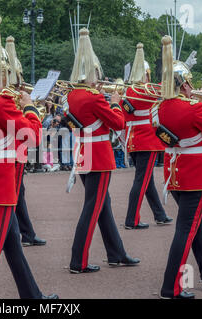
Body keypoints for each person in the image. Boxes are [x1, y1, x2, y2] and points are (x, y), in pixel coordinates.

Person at [0, 14, 57, 299]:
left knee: (12, 245)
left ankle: (33, 297)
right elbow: (33, 136)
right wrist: (30, 107)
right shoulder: (0, 102)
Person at [156, 36, 202, 299]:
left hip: (173, 175)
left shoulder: (160, 108)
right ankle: (170, 288)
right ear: (184, 84)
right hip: (195, 176)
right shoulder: (195, 108)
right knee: (186, 229)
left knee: (196, 224)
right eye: (188, 83)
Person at [66, 28, 139, 274]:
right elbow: (118, 123)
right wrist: (116, 104)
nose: (99, 79)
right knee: (92, 208)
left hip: (83, 154)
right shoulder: (94, 97)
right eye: (97, 74)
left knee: (102, 205)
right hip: (98, 156)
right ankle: (79, 260)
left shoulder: (73, 95)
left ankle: (116, 253)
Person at [120, 43, 172, 230]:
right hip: (146, 141)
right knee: (141, 181)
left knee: (146, 180)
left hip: (134, 140)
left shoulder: (129, 90)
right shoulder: (145, 90)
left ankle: (160, 215)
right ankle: (131, 219)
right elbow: (167, 87)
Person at [4, 36, 46, 246]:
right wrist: (29, 106)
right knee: (14, 193)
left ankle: (26, 233)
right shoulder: (9, 97)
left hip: (12, 147)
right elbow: (28, 132)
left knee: (18, 192)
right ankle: (15, 234)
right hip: (13, 148)